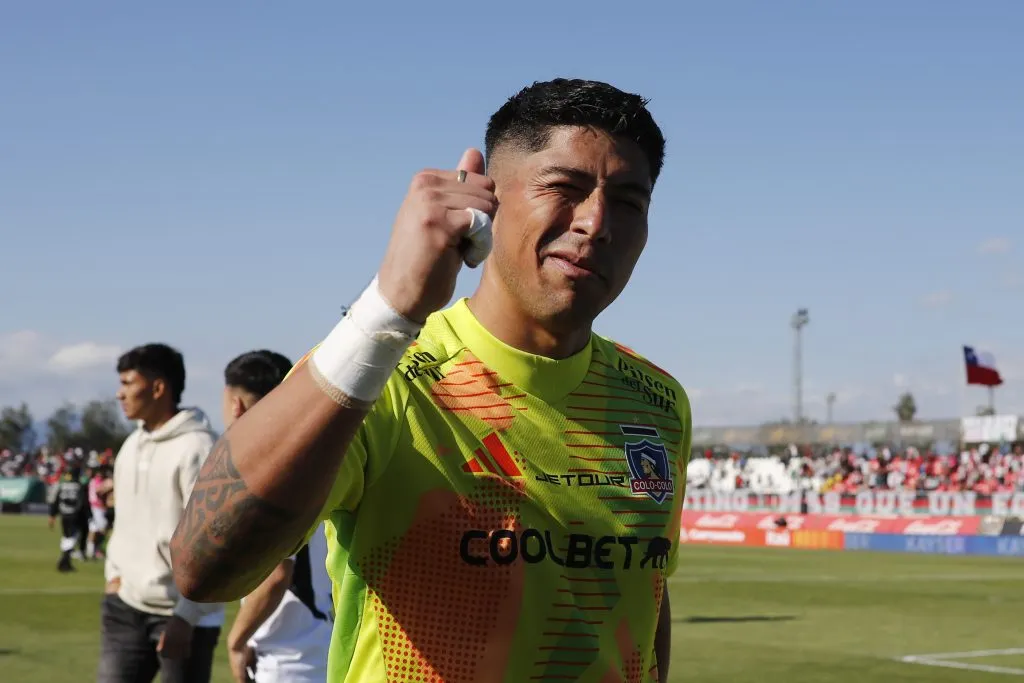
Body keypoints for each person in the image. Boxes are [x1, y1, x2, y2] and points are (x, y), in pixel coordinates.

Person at [172, 78, 691, 683]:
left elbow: (644, 593)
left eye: (630, 202)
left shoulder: (656, 401)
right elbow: (204, 568)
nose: (597, 222)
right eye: (564, 187)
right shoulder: (383, 372)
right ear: (488, 199)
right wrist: (389, 310)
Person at [99, 343, 224, 683]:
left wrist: (187, 614)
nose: (119, 394)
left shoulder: (198, 447)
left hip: (184, 617)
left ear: (158, 387)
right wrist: (114, 576)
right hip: (126, 605)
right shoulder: (131, 444)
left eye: (127, 383)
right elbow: (125, 523)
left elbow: (212, 539)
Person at [220, 350, 334, 683]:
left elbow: (275, 574)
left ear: (236, 405)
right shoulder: (317, 458)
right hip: (319, 647)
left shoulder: (268, 473)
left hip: (285, 660)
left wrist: (237, 640)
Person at [49, 460, 87, 572]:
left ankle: (66, 561)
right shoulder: (79, 486)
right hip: (74, 515)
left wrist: (52, 515)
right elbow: (82, 503)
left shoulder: (63, 485)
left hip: (64, 515)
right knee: (72, 537)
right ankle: (64, 560)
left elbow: (56, 501)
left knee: (66, 537)